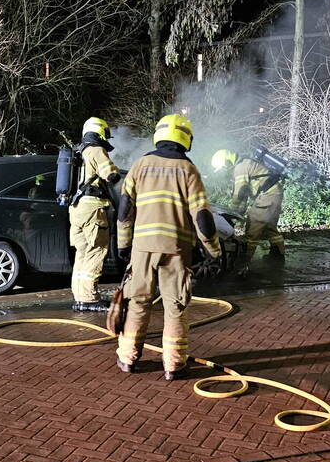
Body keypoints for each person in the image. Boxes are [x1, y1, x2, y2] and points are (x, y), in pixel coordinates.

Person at [115, 113, 221, 380]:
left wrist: (123, 243)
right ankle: (173, 364)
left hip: (143, 248)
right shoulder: (189, 170)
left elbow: (125, 210)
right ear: (186, 139)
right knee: (176, 306)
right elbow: (202, 217)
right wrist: (214, 251)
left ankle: (127, 359)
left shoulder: (140, 165)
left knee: (138, 302)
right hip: (176, 248)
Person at [68, 117, 121, 312]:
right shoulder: (97, 150)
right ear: (100, 132)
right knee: (96, 252)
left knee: (82, 255)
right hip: (93, 210)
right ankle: (89, 299)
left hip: (76, 209)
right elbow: (111, 174)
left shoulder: (79, 151)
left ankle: (80, 297)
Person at [211, 148, 285, 260]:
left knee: (254, 223)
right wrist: (239, 213)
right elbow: (244, 195)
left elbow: (240, 193)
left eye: (224, 167)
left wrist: (232, 213)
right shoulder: (243, 163)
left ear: (227, 161)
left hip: (269, 194)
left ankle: (244, 260)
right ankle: (278, 254)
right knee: (268, 225)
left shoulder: (240, 168)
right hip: (274, 192)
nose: (225, 170)